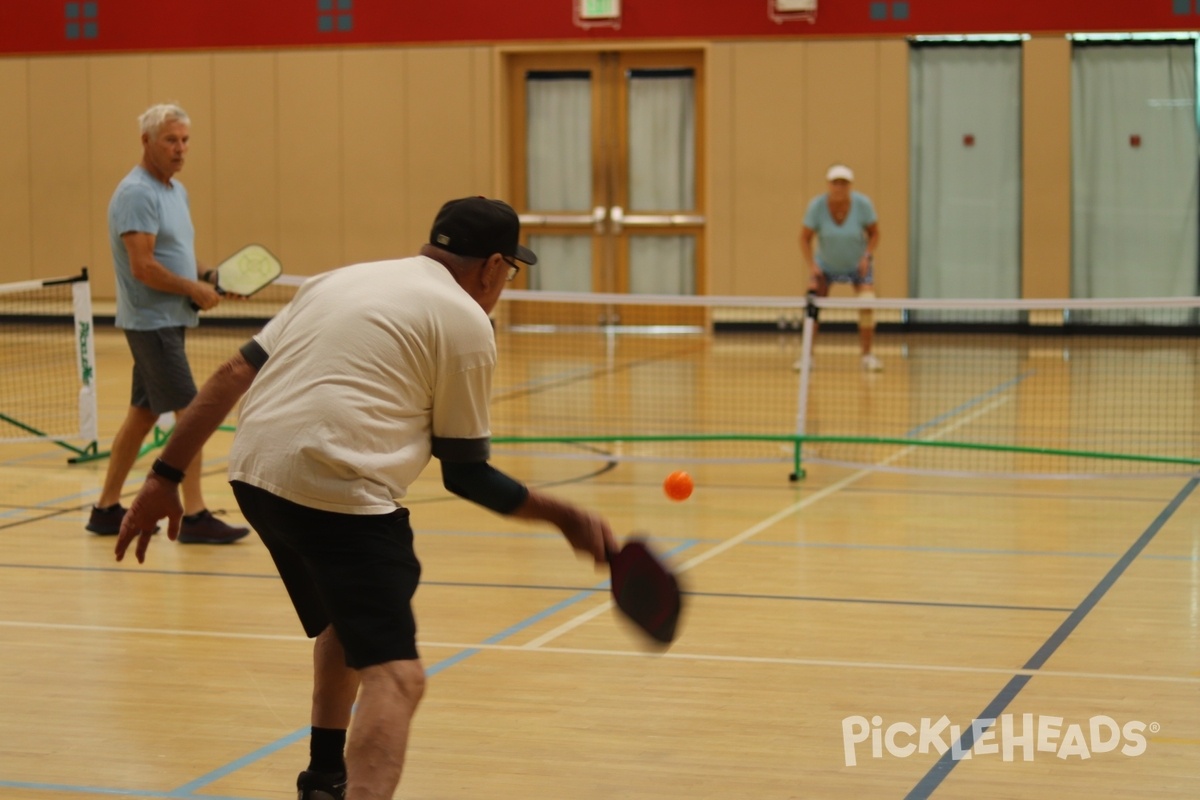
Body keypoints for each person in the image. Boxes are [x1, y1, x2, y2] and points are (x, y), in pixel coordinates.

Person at [114, 196, 619, 800]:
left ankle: (325, 778)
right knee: (399, 677)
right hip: (338, 489)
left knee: (344, 622)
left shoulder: (341, 280)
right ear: (490, 267)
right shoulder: (465, 322)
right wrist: (565, 517)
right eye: (509, 270)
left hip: (255, 474)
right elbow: (466, 475)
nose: (504, 284)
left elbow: (229, 376)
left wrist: (162, 478)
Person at [86, 103, 250, 544]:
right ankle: (194, 516)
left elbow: (175, 253)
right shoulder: (136, 193)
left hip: (168, 319)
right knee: (192, 416)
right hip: (151, 322)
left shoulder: (175, 191)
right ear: (146, 142)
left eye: (185, 140)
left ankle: (105, 509)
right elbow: (144, 267)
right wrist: (193, 290)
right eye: (170, 141)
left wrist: (208, 276)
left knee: (141, 416)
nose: (180, 150)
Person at [798, 163, 883, 372]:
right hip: (825, 266)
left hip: (857, 266)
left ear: (850, 186)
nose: (839, 187)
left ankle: (867, 356)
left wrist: (866, 257)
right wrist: (813, 266)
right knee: (812, 304)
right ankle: (807, 357)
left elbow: (875, 233)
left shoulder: (863, 205)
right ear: (829, 185)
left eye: (843, 183)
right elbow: (804, 238)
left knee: (867, 303)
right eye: (835, 183)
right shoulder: (816, 206)